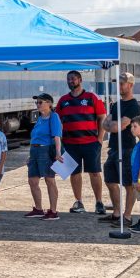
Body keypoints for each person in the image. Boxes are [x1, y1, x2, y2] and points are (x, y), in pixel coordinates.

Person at [57, 71, 106, 215]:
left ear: (80, 80)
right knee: (74, 173)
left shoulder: (91, 97)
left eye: (73, 79)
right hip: (70, 143)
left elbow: (102, 117)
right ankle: (78, 202)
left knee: (95, 173)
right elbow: (57, 120)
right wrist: (60, 141)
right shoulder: (63, 100)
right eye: (68, 79)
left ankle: (99, 202)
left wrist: (100, 139)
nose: (71, 81)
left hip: (91, 143)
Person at [99, 72, 140, 228]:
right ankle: (117, 214)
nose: (119, 86)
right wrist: (112, 125)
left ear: (130, 85)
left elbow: (116, 126)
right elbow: (105, 124)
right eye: (118, 83)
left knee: (129, 184)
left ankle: (127, 216)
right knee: (110, 180)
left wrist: (112, 125)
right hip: (114, 148)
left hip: (127, 149)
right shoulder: (116, 105)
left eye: (122, 83)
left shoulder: (134, 106)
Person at [26, 93, 62, 220]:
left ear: (49, 104)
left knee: (49, 180)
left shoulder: (54, 117)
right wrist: (30, 155)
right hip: (34, 151)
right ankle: (38, 209)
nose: (38, 104)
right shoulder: (40, 118)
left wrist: (58, 153)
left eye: (41, 102)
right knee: (33, 180)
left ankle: (53, 211)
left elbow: (57, 136)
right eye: (37, 102)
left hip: (45, 151)